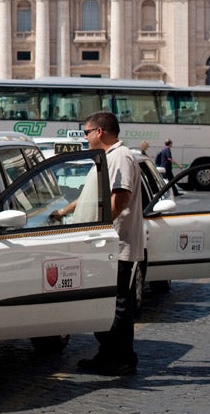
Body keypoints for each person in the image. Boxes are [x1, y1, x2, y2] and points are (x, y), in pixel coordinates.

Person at [51, 111, 143, 375]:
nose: (85, 137)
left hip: (116, 246)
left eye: (86, 132)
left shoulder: (121, 157)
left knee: (118, 305)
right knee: (106, 303)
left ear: (99, 132)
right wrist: (64, 211)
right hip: (105, 245)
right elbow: (91, 197)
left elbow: (120, 198)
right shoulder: (107, 158)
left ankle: (121, 358)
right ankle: (109, 354)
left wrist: (98, 228)